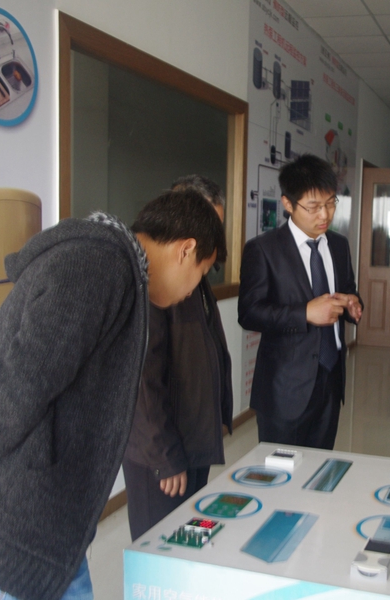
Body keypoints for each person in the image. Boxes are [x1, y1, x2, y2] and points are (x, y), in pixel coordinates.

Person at [0, 190, 226, 600]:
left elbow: (23, 379)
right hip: (21, 544)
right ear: (186, 250)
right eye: (201, 273)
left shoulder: (112, 269)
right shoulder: (100, 267)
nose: (192, 291)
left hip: (42, 539)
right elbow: (16, 389)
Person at [122, 175, 233, 542]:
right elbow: (142, 381)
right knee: (159, 545)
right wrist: (165, 456)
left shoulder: (189, 270)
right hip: (161, 450)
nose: (211, 237)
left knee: (187, 540)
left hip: (191, 437)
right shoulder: (150, 282)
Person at [238, 154, 362, 450]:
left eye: (330, 203)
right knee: (282, 469)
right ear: (288, 204)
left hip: (331, 380)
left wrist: (353, 304)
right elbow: (249, 312)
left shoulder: (339, 245)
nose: (325, 215)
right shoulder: (263, 250)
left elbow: (348, 290)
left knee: (321, 465)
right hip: (284, 387)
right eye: (314, 207)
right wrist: (304, 313)